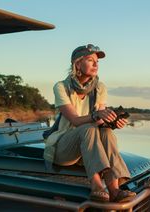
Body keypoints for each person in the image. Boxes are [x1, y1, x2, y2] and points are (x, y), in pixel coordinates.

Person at [43, 44, 136, 202]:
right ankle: (97, 186)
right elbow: (75, 120)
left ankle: (114, 189)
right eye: (90, 60)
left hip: (88, 148)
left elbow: (100, 121)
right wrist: (96, 115)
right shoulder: (61, 87)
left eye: (97, 62)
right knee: (88, 128)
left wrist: (112, 122)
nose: (95, 65)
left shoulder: (100, 88)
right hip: (63, 148)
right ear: (77, 64)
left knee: (106, 132)